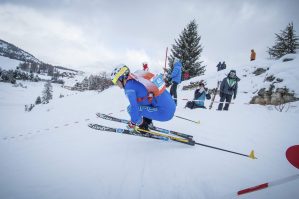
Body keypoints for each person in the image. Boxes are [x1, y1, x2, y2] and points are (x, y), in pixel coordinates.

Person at [110, 64, 176, 131]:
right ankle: (147, 121)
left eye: (116, 81)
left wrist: (133, 123)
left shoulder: (129, 87)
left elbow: (134, 108)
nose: (117, 85)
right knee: (140, 102)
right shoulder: (137, 75)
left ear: (121, 78)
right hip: (171, 106)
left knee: (130, 109)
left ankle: (143, 127)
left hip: (165, 113)